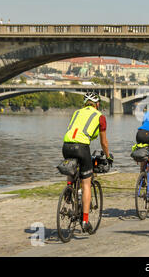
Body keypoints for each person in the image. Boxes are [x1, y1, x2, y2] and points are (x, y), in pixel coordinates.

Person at [62, 91, 113, 233]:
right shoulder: (100, 117)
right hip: (82, 147)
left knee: (71, 165)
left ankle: (68, 188)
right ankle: (85, 220)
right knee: (86, 184)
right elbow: (103, 142)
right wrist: (108, 156)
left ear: (85, 104)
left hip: (66, 145)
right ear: (97, 104)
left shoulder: (76, 113)